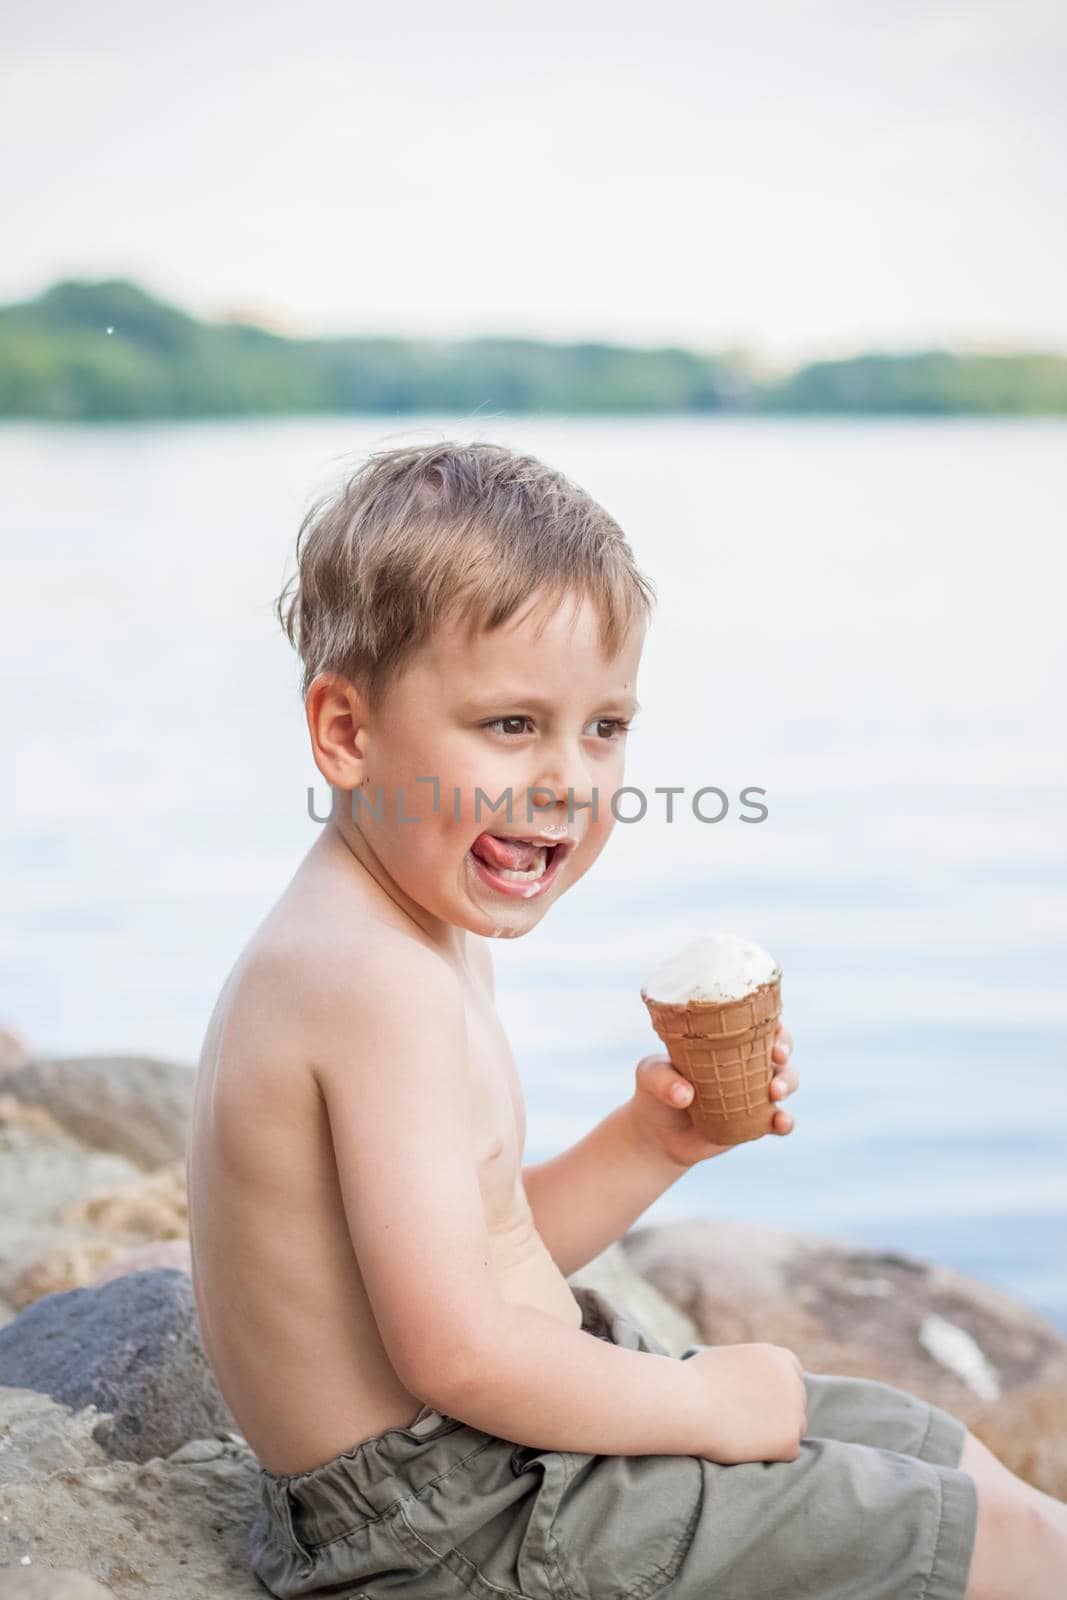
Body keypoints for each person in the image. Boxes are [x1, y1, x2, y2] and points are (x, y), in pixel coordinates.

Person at [186, 439, 1066, 1599]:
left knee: (930, 1449)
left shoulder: (420, 921)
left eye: (603, 728)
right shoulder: (364, 981)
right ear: (347, 732)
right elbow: (452, 1349)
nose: (568, 779)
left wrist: (652, 1144)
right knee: (976, 1541)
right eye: (509, 725)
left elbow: (477, 1261)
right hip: (444, 1524)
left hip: (494, 1450)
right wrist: (701, 1403)